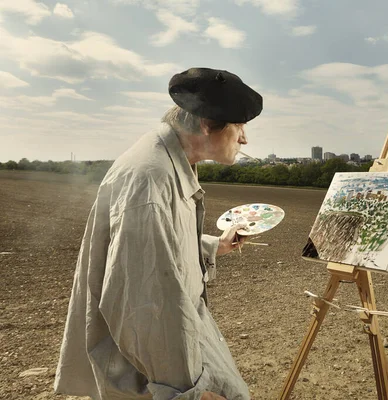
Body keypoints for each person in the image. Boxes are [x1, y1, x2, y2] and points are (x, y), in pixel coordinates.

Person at [54, 68, 263, 400]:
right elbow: (145, 303)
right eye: (240, 126)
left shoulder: (170, 157)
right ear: (208, 123)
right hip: (152, 368)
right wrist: (188, 393)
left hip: (175, 345)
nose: (244, 139)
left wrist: (214, 245)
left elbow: (161, 247)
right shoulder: (151, 179)